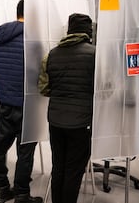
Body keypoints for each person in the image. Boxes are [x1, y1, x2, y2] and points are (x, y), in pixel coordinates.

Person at [0, 0, 43, 203]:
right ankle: (21, 194)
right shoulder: (34, 41)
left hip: (5, 104)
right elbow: (40, 77)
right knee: (25, 151)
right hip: (27, 106)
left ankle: (2, 189)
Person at [38, 13, 95, 203]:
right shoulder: (95, 55)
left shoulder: (52, 54)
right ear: (88, 32)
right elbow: (106, 90)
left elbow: (44, 89)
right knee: (73, 171)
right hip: (81, 123)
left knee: (58, 167)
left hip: (55, 121)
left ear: (69, 31)